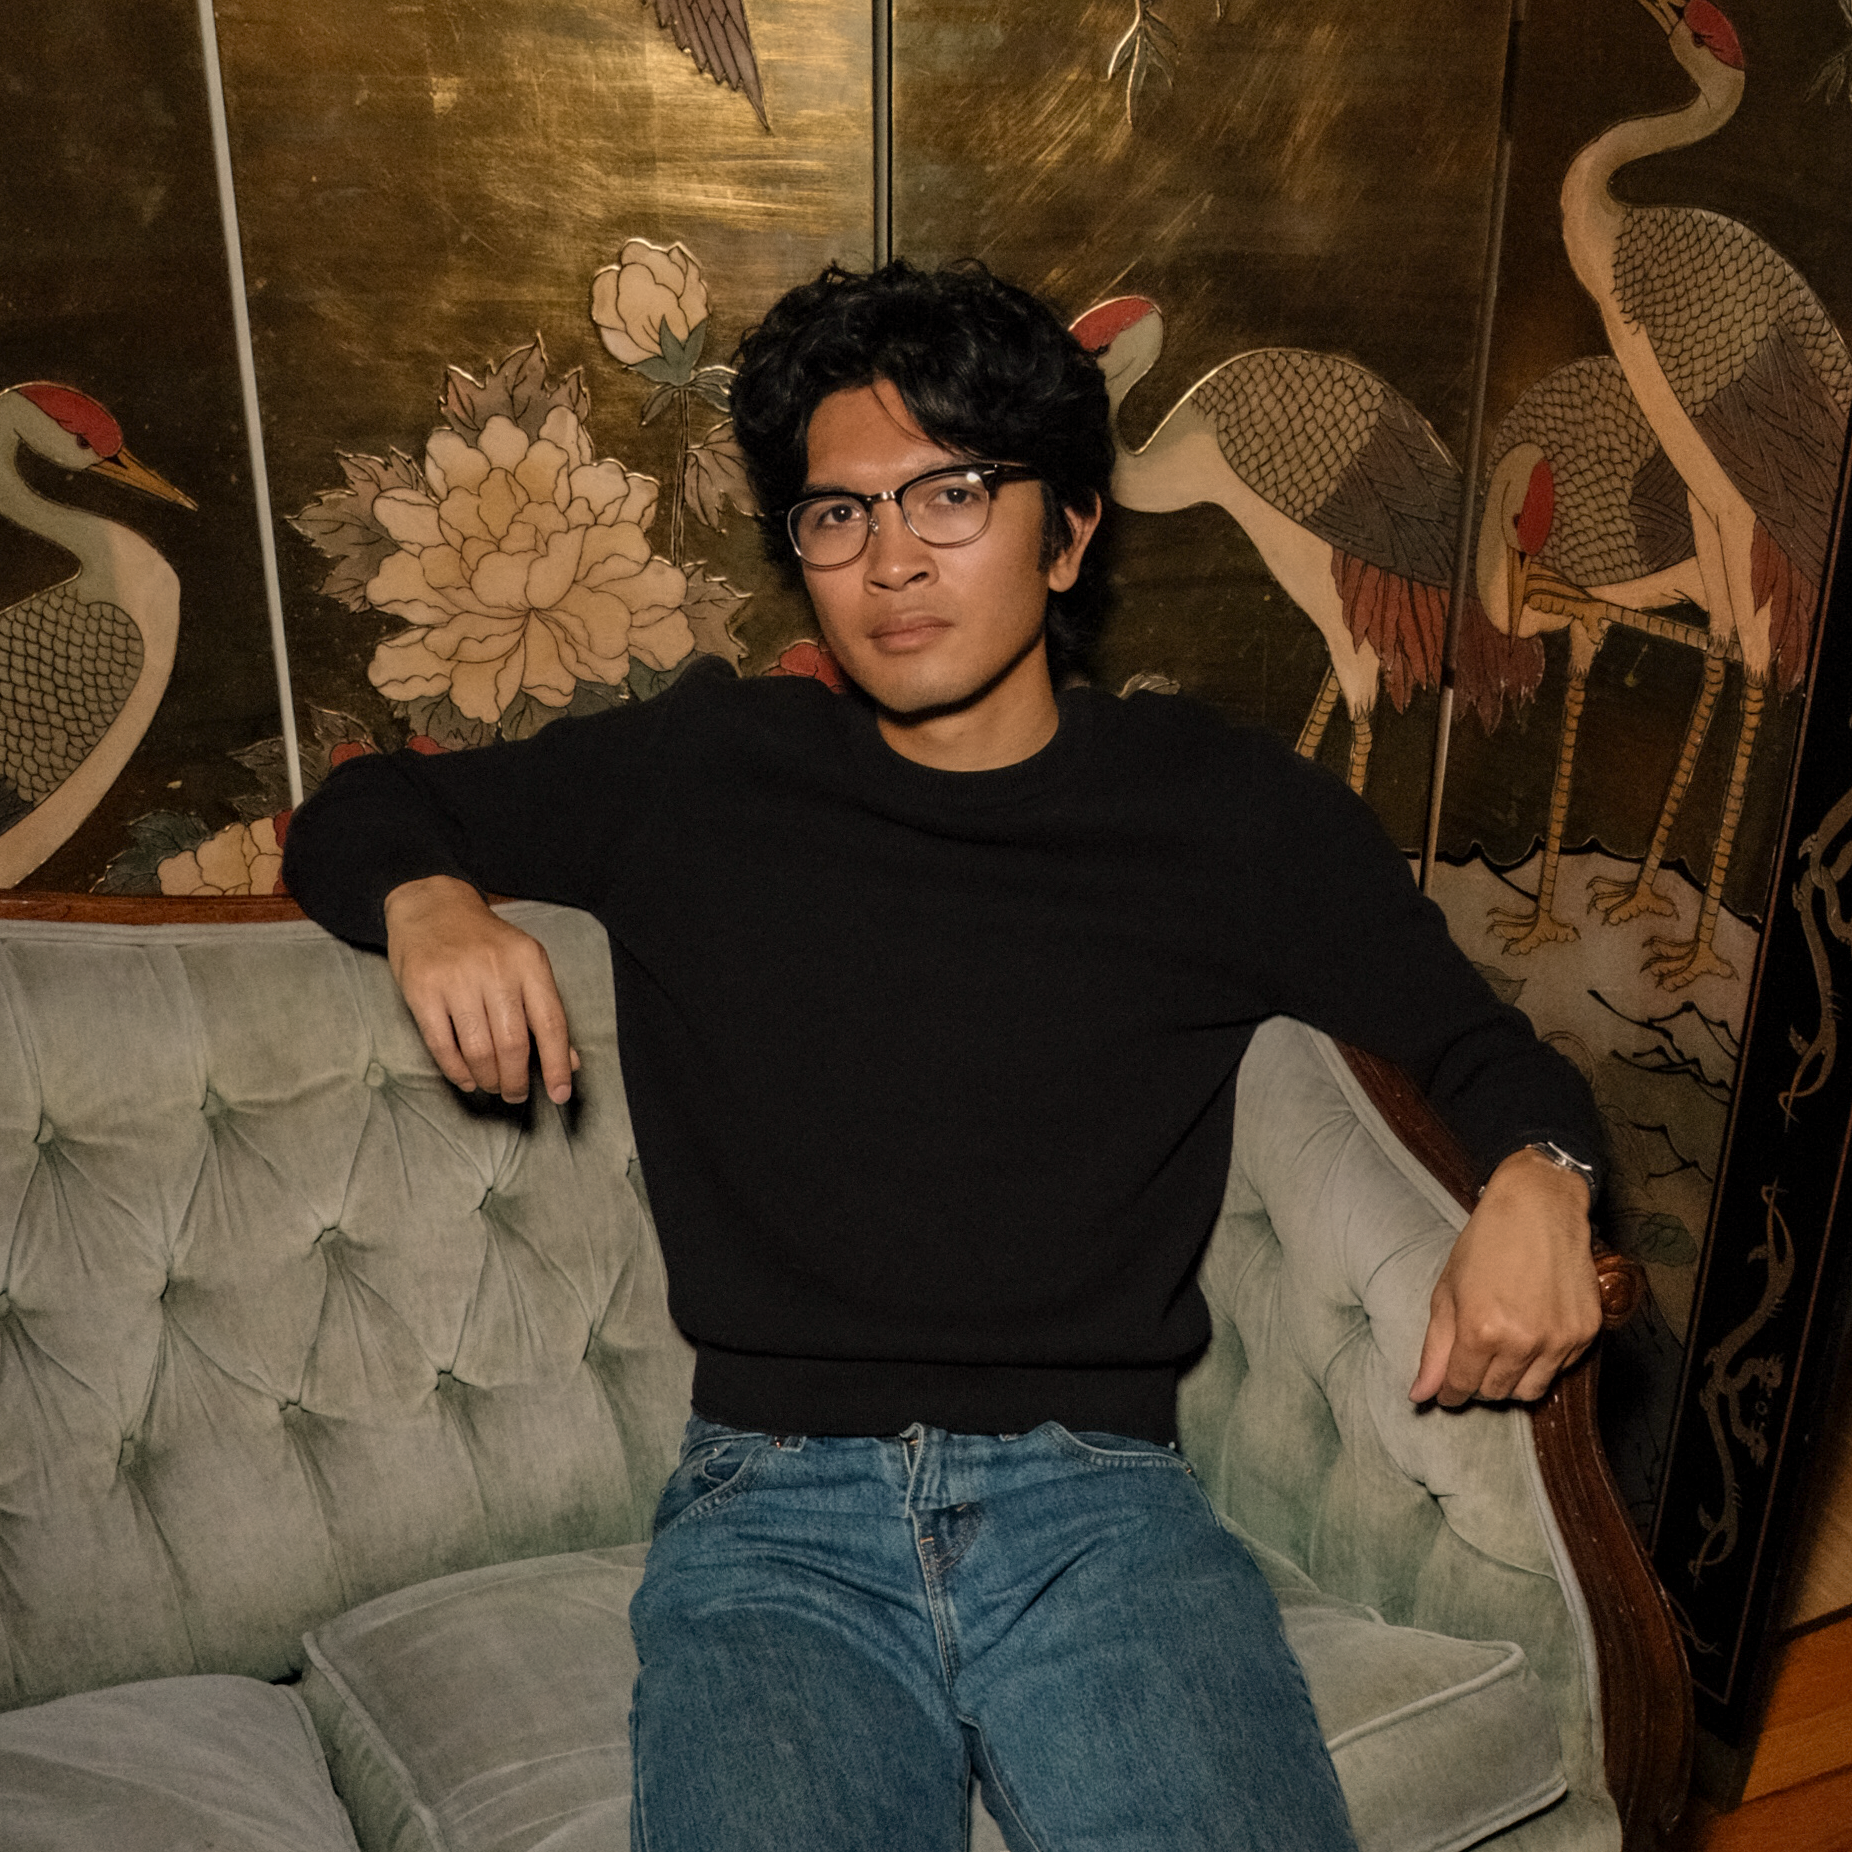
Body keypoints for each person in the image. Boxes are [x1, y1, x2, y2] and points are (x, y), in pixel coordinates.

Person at [284, 259, 1604, 1852]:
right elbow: (366, 803)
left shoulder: (1222, 812)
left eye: (952, 494)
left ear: (1070, 532)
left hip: (1102, 1511)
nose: (892, 559)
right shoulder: (709, 772)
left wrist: (1545, 1175)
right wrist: (428, 901)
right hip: (770, 1519)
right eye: (839, 515)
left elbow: (1474, 1046)